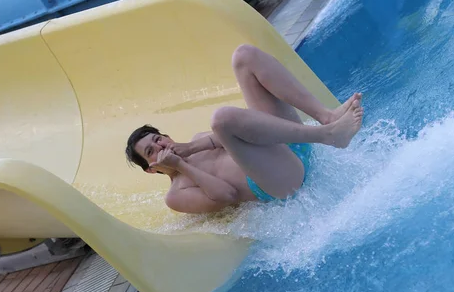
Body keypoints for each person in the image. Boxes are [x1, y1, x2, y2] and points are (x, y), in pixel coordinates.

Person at [125, 44, 364, 214]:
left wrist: (191, 148)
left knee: (244, 56)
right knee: (221, 118)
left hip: (288, 147)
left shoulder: (195, 141)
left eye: (158, 139)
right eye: (150, 151)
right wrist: (181, 166)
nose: (159, 145)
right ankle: (328, 135)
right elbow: (227, 196)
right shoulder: (176, 194)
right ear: (151, 169)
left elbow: (243, 134)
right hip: (283, 182)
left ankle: (326, 116)